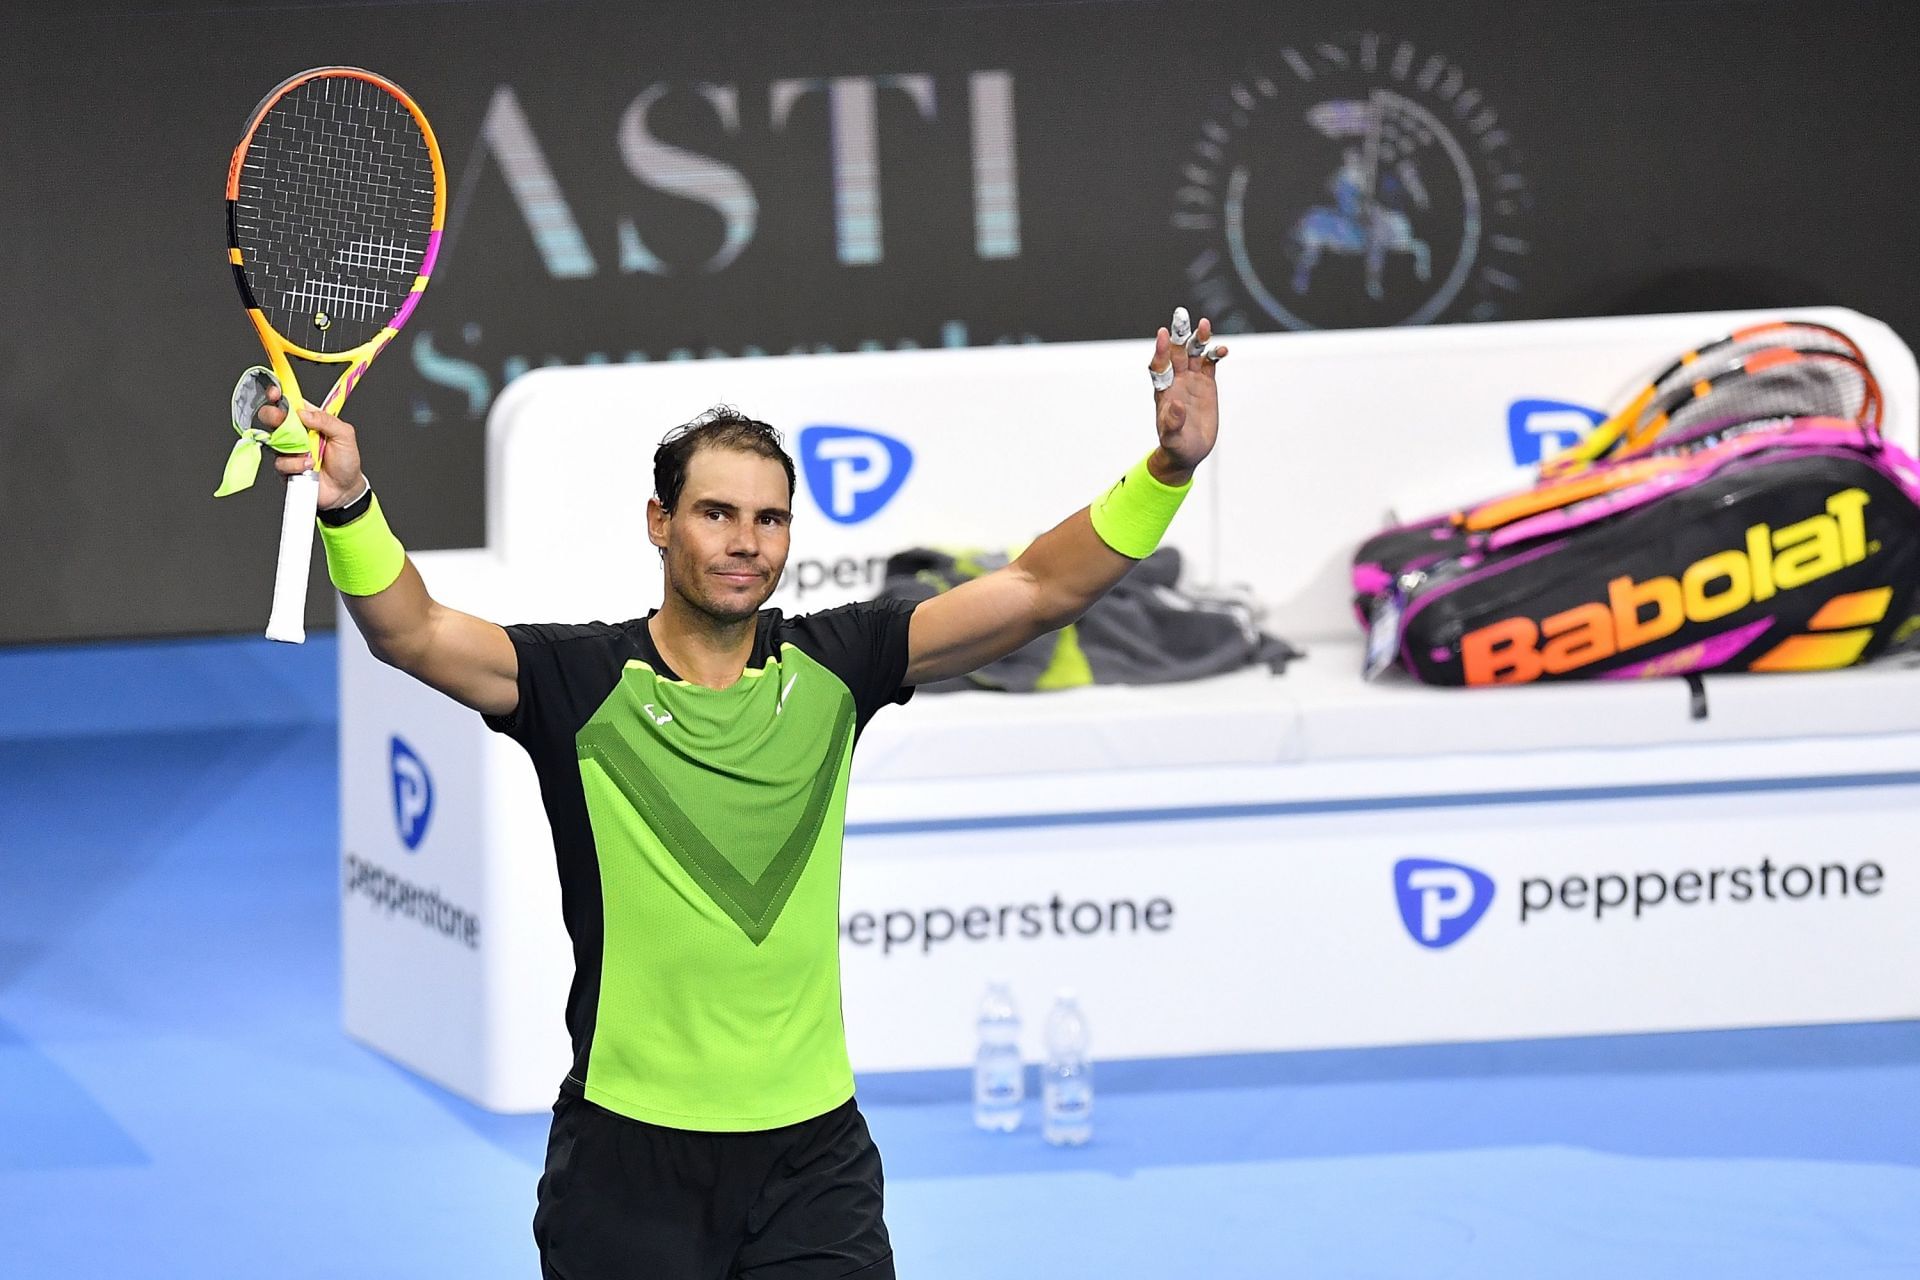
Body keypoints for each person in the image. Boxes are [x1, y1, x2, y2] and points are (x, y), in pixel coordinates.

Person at [259, 310, 1226, 1279]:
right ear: (659, 521)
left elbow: (1038, 588)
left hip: (813, 1157)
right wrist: (349, 503)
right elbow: (413, 632)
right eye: (716, 512)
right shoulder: (578, 679)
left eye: (769, 519)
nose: (745, 541)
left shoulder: (840, 663)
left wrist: (1167, 470)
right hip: (627, 1154)